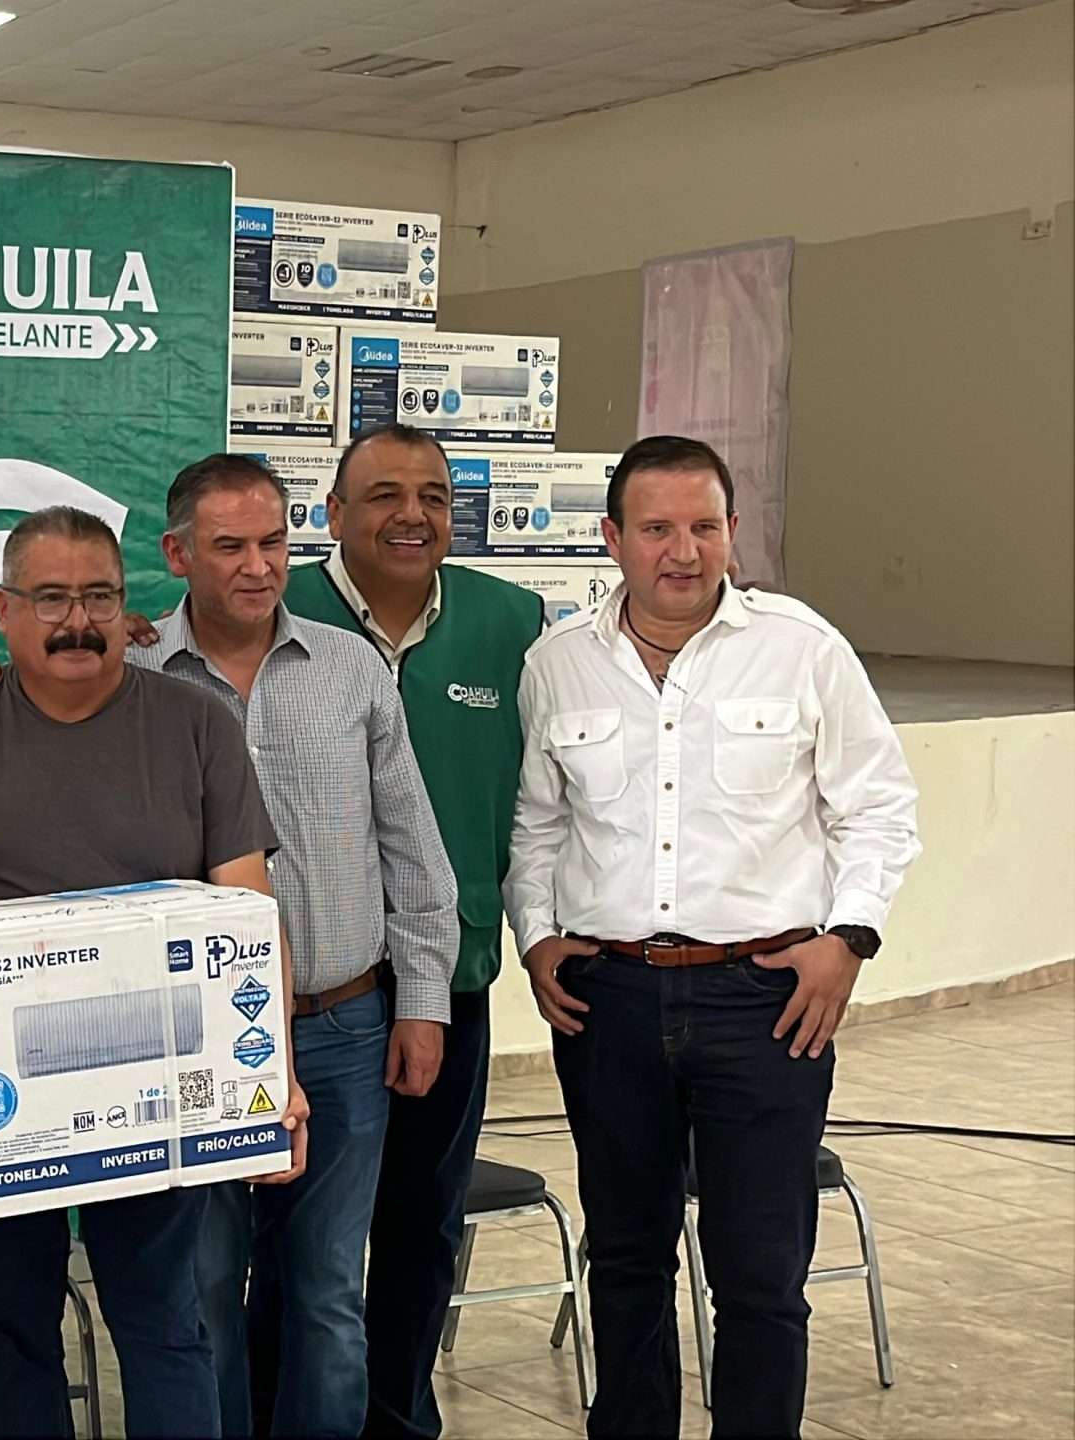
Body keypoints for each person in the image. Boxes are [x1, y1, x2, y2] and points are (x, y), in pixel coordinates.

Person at [507, 435, 920, 1439]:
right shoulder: (558, 663)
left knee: (761, 1276)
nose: (682, 551)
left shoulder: (802, 649)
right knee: (625, 1260)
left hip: (764, 1001)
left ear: (734, 531)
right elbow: (537, 823)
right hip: (608, 1000)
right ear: (612, 538)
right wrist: (535, 935)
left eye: (704, 526)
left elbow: (878, 807)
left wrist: (848, 938)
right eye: (656, 528)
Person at [0, 504, 298, 1440]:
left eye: (99, 598)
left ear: (127, 607)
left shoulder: (196, 723)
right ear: (4, 611)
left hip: (152, 1079)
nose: (77, 622)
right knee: (11, 1325)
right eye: (51, 599)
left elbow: (248, 914)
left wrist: (275, 1070)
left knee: (164, 1322)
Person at [130, 454, 456, 1439]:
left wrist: (422, 1002)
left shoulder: (352, 668)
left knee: (326, 1294)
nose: (257, 566)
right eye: (228, 546)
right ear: (177, 554)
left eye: (272, 542)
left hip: (344, 1025)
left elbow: (412, 847)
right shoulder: (133, 677)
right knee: (203, 1291)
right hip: (187, 1039)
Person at [282, 423, 546, 1439]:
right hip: (313, 982)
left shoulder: (509, 621)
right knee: (294, 1233)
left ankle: (396, 1417)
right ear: (333, 514)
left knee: (421, 1222)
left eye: (433, 495)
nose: (412, 515)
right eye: (385, 494)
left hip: (449, 977)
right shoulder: (277, 605)